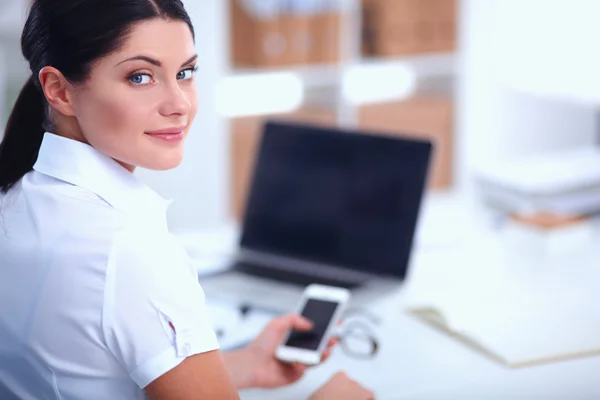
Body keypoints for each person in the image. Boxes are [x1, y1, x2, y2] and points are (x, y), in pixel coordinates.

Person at [0, 1, 376, 399]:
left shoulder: (15, 200)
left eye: (185, 72)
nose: (179, 103)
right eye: (141, 77)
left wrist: (247, 363)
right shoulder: (130, 252)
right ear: (60, 90)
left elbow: (86, 370)